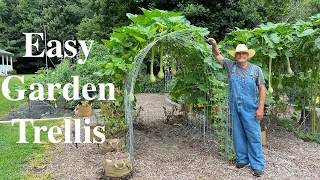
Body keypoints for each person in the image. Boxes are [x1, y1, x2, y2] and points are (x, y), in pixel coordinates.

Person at [207, 38, 266, 177]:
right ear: (235, 55)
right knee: (238, 133)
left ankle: (257, 164)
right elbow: (217, 55)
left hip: (251, 107)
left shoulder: (256, 70)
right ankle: (242, 159)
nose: (241, 56)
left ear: (248, 55)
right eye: (238, 54)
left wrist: (261, 108)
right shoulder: (230, 66)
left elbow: (262, 89)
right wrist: (214, 45)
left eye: (243, 53)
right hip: (234, 105)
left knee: (254, 135)